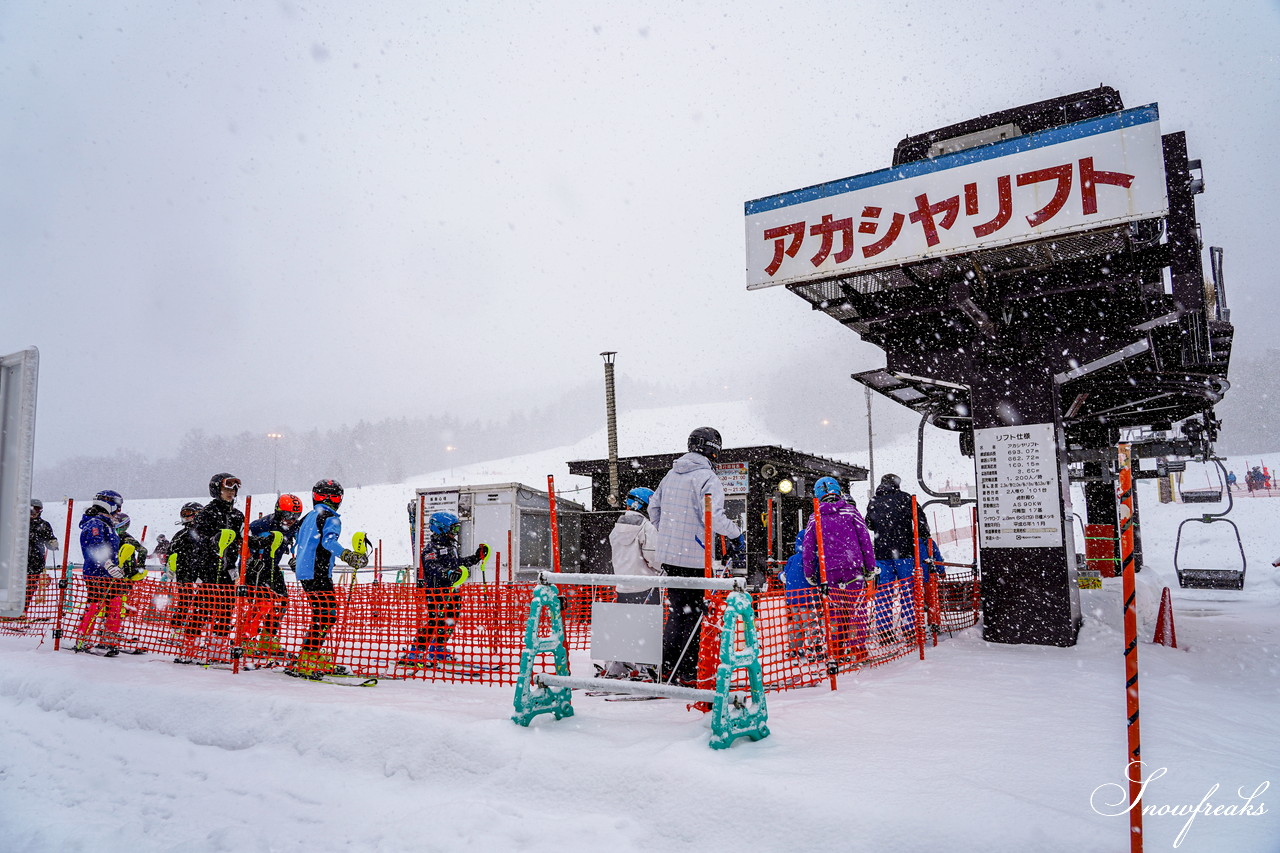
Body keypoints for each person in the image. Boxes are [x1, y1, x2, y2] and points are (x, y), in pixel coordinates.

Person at [648, 426, 743, 687]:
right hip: (695, 559)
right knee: (696, 616)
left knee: (678, 613)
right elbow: (712, 517)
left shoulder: (670, 475)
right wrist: (736, 534)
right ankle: (689, 671)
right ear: (714, 450)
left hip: (670, 557)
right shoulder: (706, 478)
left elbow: (653, 507)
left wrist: (667, 533)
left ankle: (665, 667)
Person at [290, 479, 367, 676]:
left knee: (321, 614)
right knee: (327, 614)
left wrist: (297, 562)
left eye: (333, 496)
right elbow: (328, 542)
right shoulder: (330, 518)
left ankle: (309, 656)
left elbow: (296, 542)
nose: (329, 500)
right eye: (324, 496)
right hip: (318, 571)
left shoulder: (309, 516)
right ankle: (308, 658)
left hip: (307, 572)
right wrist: (348, 555)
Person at [397, 510, 488, 667]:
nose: (456, 533)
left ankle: (438, 649)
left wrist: (475, 558)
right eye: (453, 529)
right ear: (441, 529)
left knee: (450, 620)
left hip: (451, 589)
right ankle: (416, 652)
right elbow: (432, 566)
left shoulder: (450, 546)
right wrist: (447, 573)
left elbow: (458, 563)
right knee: (434, 621)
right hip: (436, 590)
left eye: (457, 529)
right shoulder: (431, 548)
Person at [802, 477, 877, 663]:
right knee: (857, 609)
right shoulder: (851, 511)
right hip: (854, 569)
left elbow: (808, 548)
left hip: (829, 572)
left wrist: (809, 572)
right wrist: (869, 566)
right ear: (838, 491)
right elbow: (865, 541)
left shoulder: (815, 517)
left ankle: (836, 651)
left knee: (835, 612)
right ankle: (856, 650)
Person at [600, 487, 661, 680]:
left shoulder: (616, 528)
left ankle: (619, 666)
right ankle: (645, 668)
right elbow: (653, 556)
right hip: (646, 585)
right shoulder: (646, 527)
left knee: (624, 626)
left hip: (623, 585)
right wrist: (660, 568)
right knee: (647, 628)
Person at [865, 473, 932, 642]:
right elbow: (921, 522)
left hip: (882, 553)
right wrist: (923, 537)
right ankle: (910, 629)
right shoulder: (906, 498)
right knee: (908, 591)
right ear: (897, 484)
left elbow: (869, 524)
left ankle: (884, 631)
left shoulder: (874, 501)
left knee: (884, 592)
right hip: (904, 552)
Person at [191, 473, 245, 662]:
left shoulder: (237, 515)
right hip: (208, 567)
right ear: (216, 490)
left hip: (228, 569)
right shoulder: (207, 513)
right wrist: (212, 541)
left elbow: (240, 539)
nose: (230, 493)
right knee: (202, 608)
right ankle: (190, 643)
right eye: (226, 489)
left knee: (226, 609)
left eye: (233, 490)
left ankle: (217, 647)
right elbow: (197, 539)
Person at [241, 494, 303, 658]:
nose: (291, 520)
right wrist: (248, 560)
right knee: (261, 604)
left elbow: (296, 543)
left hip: (273, 568)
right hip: (257, 568)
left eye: (296, 516)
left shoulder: (293, 527)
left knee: (282, 601)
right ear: (279, 511)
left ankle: (268, 639)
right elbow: (244, 542)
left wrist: (296, 559)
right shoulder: (262, 525)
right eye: (288, 515)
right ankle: (245, 639)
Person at [73, 490, 127, 656]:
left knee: (115, 603)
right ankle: (84, 638)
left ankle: (109, 638)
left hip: (109, 574)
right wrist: (108, 564)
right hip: (96, 573)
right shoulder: (95, 523)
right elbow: (95, 547)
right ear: (108, 503)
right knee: (95, 604)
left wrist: (116, 567)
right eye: (117, 508)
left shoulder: (107, 524)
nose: (117, 512)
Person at [166, 502, 205, 661]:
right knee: (184, 602)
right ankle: (176, 631)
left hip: (197, 573)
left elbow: (203, 553)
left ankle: (190, 635)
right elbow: (171, 552)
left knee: (198, 605)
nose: (186, 516)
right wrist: (169, 565)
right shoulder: (180, 534)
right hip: (184, 574)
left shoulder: (201, 533)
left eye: (189, 512)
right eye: (184, 512)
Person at [780, 530, 821, 660]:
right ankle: (812, 648)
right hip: (809, 599)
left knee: (796, 624)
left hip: (793, 599)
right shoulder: (814, 559)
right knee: (811, 624)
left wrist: (782, 576)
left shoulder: (792, 559)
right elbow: (819, 578)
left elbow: (783, 574)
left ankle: (795, 649)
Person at [24, 499, 59, 617]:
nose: (33, 512)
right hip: (17, 561)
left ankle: (22, 611)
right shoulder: (19, 523)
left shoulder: (43, 525)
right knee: (14, 587)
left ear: (40, 511)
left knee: (30, 588)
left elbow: (49, 540)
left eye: (37, 509)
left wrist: (53, 543)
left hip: (35, 562)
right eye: (31, 508)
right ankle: (10, 610)